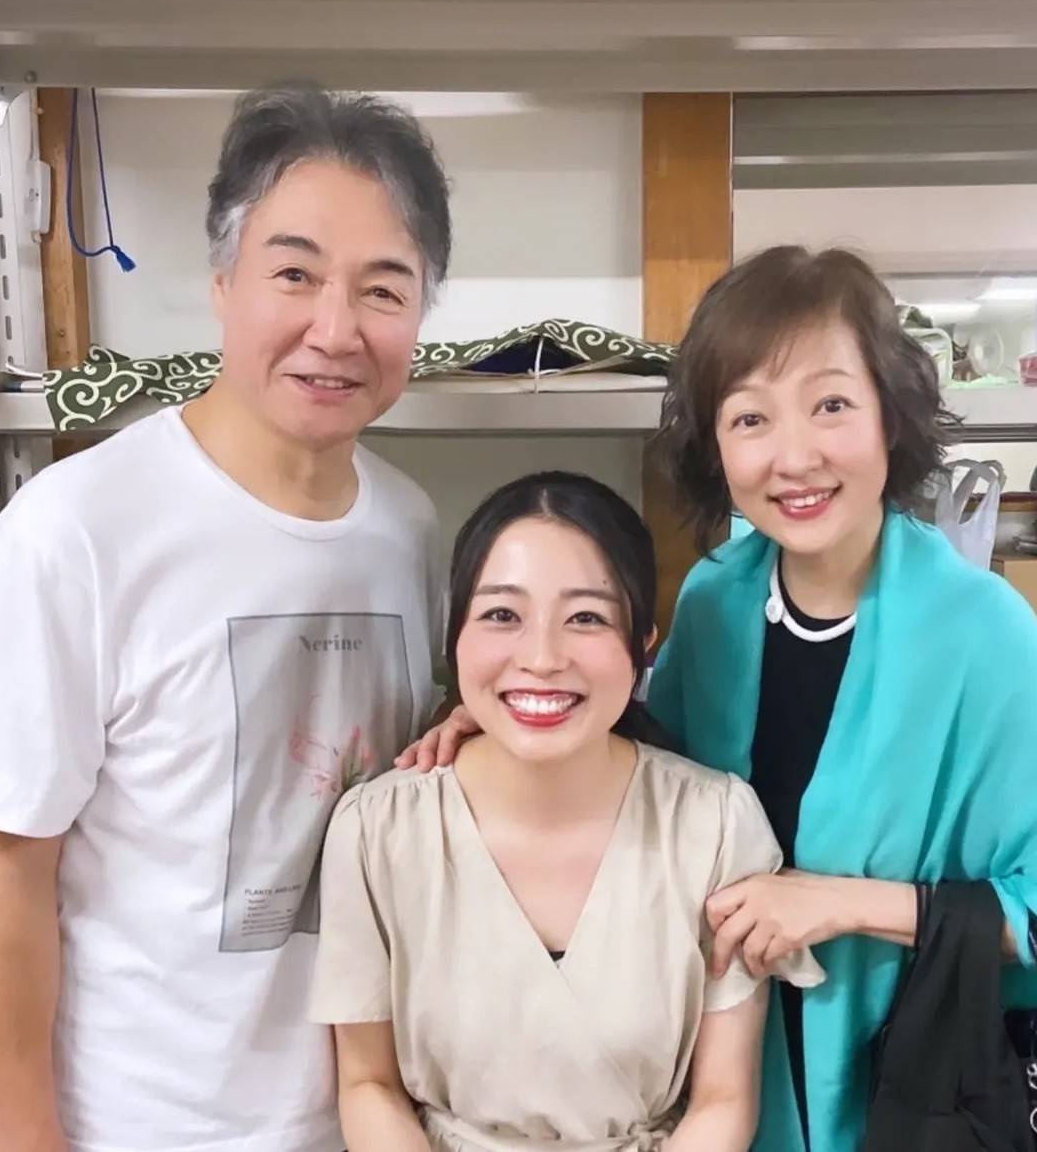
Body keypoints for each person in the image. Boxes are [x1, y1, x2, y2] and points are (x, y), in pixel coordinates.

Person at [400, 247, 1037, 1152]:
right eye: (750, 417)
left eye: (831, 404)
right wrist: (506, 718)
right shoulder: (715, 601)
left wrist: (847, 903)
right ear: (715, 445)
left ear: (889, 415)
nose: (795, 456)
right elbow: (650, 775)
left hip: (910, 1103)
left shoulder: (986, 634)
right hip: (717, 1091)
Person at [0, 86, 451, 1152]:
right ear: (222, 281)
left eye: (383, 289)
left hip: (347, 1121)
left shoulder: (409, 530)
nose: (336, 329)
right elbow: (1, 867)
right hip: (125, 1126)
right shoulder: (75, 531)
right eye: (295, 274)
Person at [313, 471, 822, 1152]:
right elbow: (368, 1083)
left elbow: (724, 1100)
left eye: (586, 617)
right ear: (453, 634)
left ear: (644, 640)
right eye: (502, 615)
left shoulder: (716, 823)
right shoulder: (376, 829)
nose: (542, 658)